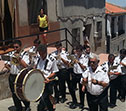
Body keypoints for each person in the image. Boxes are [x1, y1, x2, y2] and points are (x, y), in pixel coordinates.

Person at [5, 40, 31, 111]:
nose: (15, 49)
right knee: (14, 93)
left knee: (22, 92)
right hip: (12, 75)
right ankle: (18, 108)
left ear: (20, 47)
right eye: (14, 47)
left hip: (20, 76)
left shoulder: (24, 54)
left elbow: (26, 66)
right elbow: (7, 64)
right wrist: (10, 68)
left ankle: (27, 106)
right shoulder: (12, 54)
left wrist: (19, 59)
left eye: (16, 47)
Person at [51, 42, 77, 108]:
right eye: (56, 47)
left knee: (69, 84)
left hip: (64, 70)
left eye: (58, 46)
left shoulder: (65, 53)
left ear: (61, 46)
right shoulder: (54, 53)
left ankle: (74, 99)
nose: (57, 48)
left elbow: (68, 63)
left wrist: (61, 58)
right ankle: (62, 96)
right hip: (57, 69)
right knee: (60, 84)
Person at [36, 44, 59, 111]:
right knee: (46, 99)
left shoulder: (52, 59)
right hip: (39, 82)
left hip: (47, 82)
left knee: (43, 100)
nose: (40, 55)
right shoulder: (38, 59)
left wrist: (48, 78)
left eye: (42, 54)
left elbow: (54, 72)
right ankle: (51, 109)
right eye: (39, 53)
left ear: (45, 52)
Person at [70, 45, 88, 109]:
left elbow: (84, 68)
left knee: (81, 90)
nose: (77, 53)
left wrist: (79, 63)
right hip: (75, 74)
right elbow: (71, 65)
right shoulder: (75, 56)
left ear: (81, 51)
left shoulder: (85, 58)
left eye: (78, 51)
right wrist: (72, 62)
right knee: (72, 88)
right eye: (76, 51)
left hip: (81, 75)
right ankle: (74, 101)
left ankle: (82, 103)